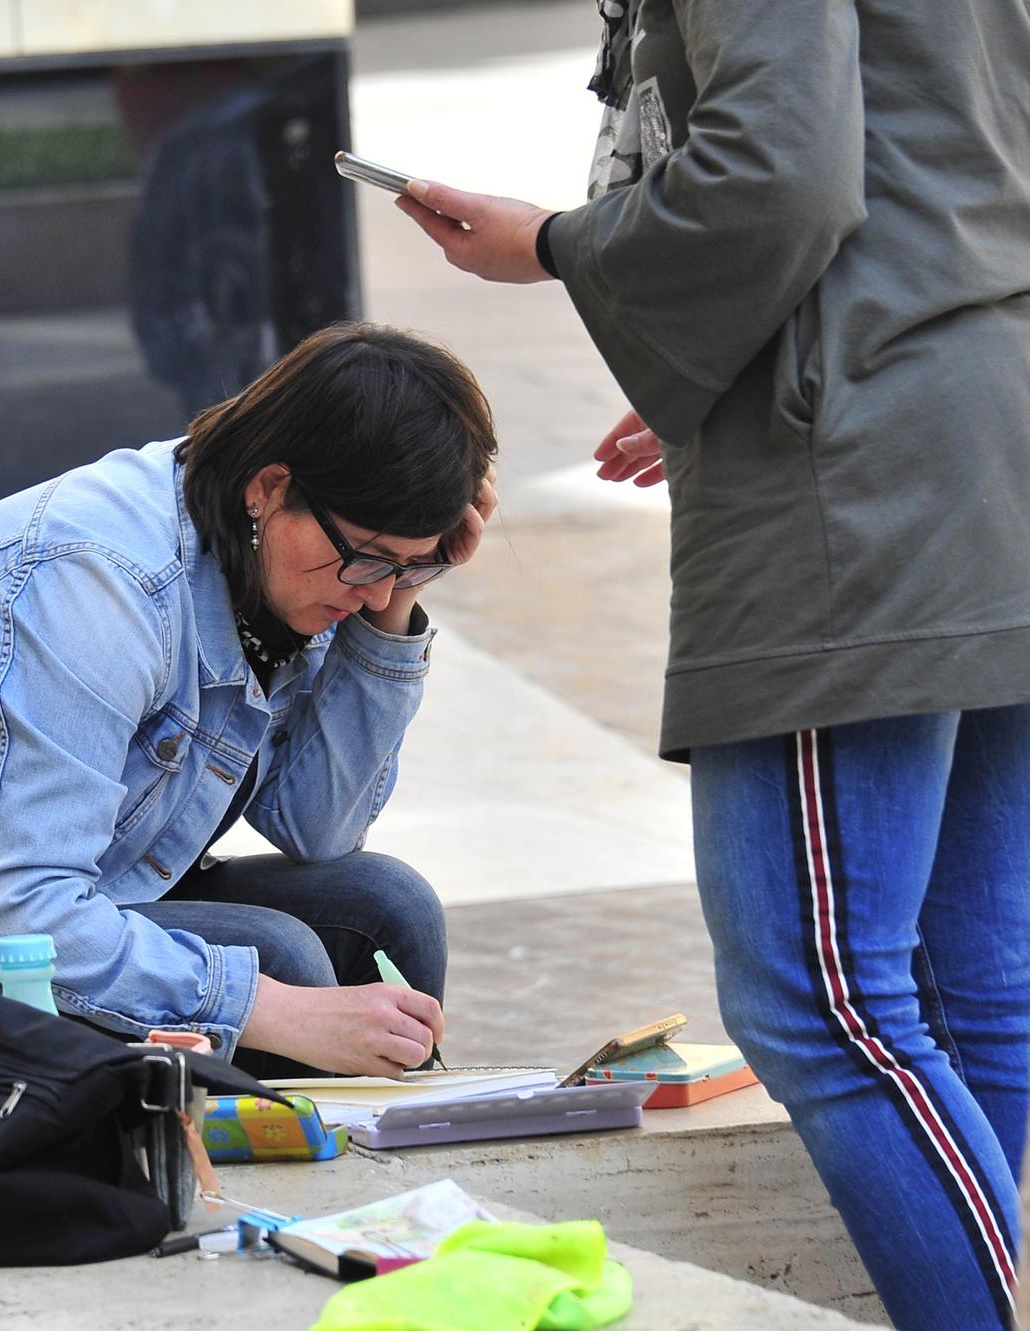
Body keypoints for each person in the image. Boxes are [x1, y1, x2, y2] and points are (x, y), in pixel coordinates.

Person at [390, 4, 1030, 1326]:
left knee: (822, 998)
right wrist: (744, 345)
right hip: (979, 419)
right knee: (979, 982)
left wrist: (552, 246)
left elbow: (779, 175)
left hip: (856, 471)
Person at [0, 322, 499, 1078]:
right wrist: (275, 1008)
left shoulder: (299, 556)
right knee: (280, 961)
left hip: (60, 896)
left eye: (414, 565)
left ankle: (377, 1189)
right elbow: (24, 909)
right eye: (370, 561)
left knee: (389, 906)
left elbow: (319, 825)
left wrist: (396, 606)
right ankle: (253, 1205)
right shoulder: (100, 581)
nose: (376, 594)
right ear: (271, 489)